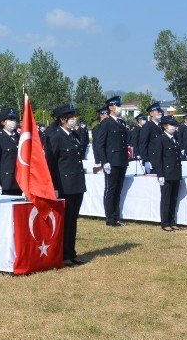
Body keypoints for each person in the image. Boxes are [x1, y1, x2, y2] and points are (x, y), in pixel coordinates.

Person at [45, 104, 87, 265]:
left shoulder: (74, 135)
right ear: (63, 119)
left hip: (77, 184)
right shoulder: (55, 137)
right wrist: (54, 187)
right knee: (65, 221)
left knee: (73, 220)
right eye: (71, 117)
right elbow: (51, 164)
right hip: (64, 186)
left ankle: (71, 253)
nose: (74, 120)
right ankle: (62, 255)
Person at [92, 96, 129, 226]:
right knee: (110, 190)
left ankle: (116, 217)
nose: (119, 108)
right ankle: (110, 218)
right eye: (117, 106)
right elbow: (100, 144)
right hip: (111, 161)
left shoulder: (121, 123)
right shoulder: (106, 123)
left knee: (118, 190)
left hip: (122, 160)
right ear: (111, 108)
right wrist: (104, 161)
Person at [150, 115, 184, 232]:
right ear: (164, 126)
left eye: (174, 125)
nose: (173, 127)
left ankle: (172, 220)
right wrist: (160, 174)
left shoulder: (175, 138)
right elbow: (158, 158)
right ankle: (165, 222)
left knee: (174, 198)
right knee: (166, 199)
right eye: (171, 125)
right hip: (166, 173)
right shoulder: (160, 139)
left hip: (175, 172)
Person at [0, 108, 21, 196]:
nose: (13, 121)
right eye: (10, 119)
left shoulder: (18, 137)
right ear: (3, 122)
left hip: (19, 181)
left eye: (13, 119)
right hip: (6, 182)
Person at [139, 103, 163, 174]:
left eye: (160, 111)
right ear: (151, 113)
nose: (160, 112)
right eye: (157, 111)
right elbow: (143, 144)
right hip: (152, 161)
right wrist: (146, 160)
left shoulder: (161, 126)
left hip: (161, 160)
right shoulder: (147, 126)